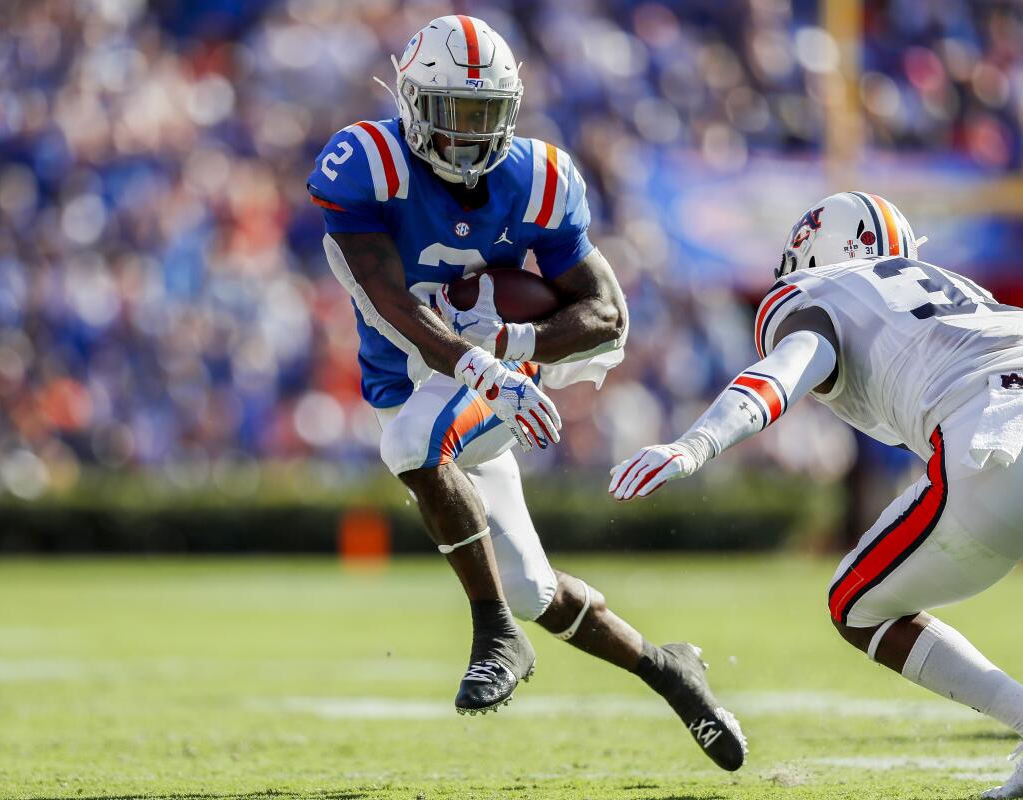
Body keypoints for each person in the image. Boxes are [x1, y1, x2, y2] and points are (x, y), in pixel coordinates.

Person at [307, 15, 746, 771]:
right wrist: (478, 364)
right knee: (536, 589)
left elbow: (606, 315)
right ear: (412, 103)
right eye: (455, 112)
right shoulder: (366, 163)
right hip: (420, 378)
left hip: (495, 384)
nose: (472, 133)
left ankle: (492, 633)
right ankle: (670, 670)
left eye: (486, 113)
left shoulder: (538, 176)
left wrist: (507, 347)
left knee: (411, 444)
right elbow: (389, 301)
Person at [610, 191, 1023, 798]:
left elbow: (786, 369)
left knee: (857, 604)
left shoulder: (824, 290)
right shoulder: (955, 285)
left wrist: (694, 445)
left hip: (992, 437)